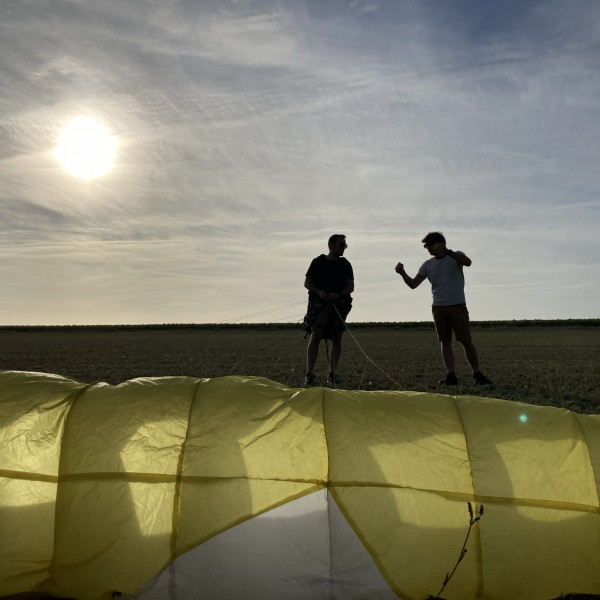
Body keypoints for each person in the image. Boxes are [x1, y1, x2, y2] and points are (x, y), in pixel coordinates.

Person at [395, 232, 492, 386]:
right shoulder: (427, 264)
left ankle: (477, 374)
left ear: (440, 243)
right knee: (445, 341)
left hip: (458, 305)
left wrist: (448, 252)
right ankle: (451, 376)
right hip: (438, 308)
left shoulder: (455, 256)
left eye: (429, 245)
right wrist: (402, 273)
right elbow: (413, 284)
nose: (427, 248)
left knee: (466, 340)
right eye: (426, 246)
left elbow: (468, 262)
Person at [303, 234, 354, 386]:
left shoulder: (345, 265)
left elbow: (350, 287)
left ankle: (332, 374)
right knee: (316, 335)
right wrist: (319, 292)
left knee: (337, 338)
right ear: (331, 245)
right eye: (341, 245)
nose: (344, 247)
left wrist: (338, 295)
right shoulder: (317, 262)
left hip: (339, 307)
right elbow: (307, 283)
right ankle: (309, 374)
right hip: (319, 306)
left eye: (345, 245)